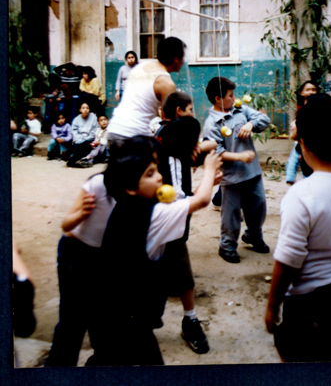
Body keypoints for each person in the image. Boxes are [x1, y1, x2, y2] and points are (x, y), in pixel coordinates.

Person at [86, 135, 222, 366]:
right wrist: (209, 168)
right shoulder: (152, 214)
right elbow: (200, 201)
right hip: (122, 321)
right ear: (130, 187)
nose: (159, 177)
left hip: (112, 314)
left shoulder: (130, 206)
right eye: (149, 174)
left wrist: (207, 183)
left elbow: (187, 204)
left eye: (156, 169)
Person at [265, 95, 331, 362]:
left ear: (302, 145)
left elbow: (288, 260)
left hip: (310, 307)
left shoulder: (302, 194)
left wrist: (272, 305)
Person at [155, 116, 221, 354]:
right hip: (159, 229)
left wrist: (205, 184)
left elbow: (182, 195)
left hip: (172, 228)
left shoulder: (180, 155)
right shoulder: (170, 159)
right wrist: (208, 178)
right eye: (195, 141)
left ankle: (190, 319)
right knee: (153, 281)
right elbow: (188, 201)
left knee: (183, 274)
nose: (198, 145)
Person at [44, 162, 117, 367]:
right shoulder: (98, 184)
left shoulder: (141, 192)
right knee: (72, 324)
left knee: (103, 325)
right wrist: (82, 214)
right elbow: (66, 225)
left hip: (107, 260)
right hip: (76, 255)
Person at [203, 77, 271, 264]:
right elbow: (216, 151)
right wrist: (239, 157)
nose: (234, 99)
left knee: (258, 207)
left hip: (253, 172)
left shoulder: (241, 110)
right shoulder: (212, 124)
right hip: (232, 177)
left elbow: (264, 119)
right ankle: (227, 246)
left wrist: (251, 124)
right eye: (231, 96)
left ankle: (253, 236)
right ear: (218, 99)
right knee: (231, 215)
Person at [107, 37, 186, 148]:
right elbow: (167, 121)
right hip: (133, 137)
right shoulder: (166, 83)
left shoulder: (141, 66)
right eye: (183, 57)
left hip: (114, 131)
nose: (183, 61)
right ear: (177, 58)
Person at [285, 80, 318, 185]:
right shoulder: (300, 106)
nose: (311, 92)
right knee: (294, 158)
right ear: (301, 93)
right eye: (308, 90)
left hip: (311, 139)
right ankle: (290, 178)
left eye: (314, 89)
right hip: (301, 139)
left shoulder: (319, 105)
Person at [67, 102, 98, 168]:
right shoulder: (76, 119)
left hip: (89, 140)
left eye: (87, 108)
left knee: (84, 146)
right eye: (83, 108)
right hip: (79, 140)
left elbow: (94, 132)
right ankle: (77, 161)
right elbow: (74, 132)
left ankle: (73, 159)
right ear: (80, 110)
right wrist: (80, 140)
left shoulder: (93, 118)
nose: (85, 110)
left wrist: (84, 139)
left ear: (89, 110)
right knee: (75, 145)